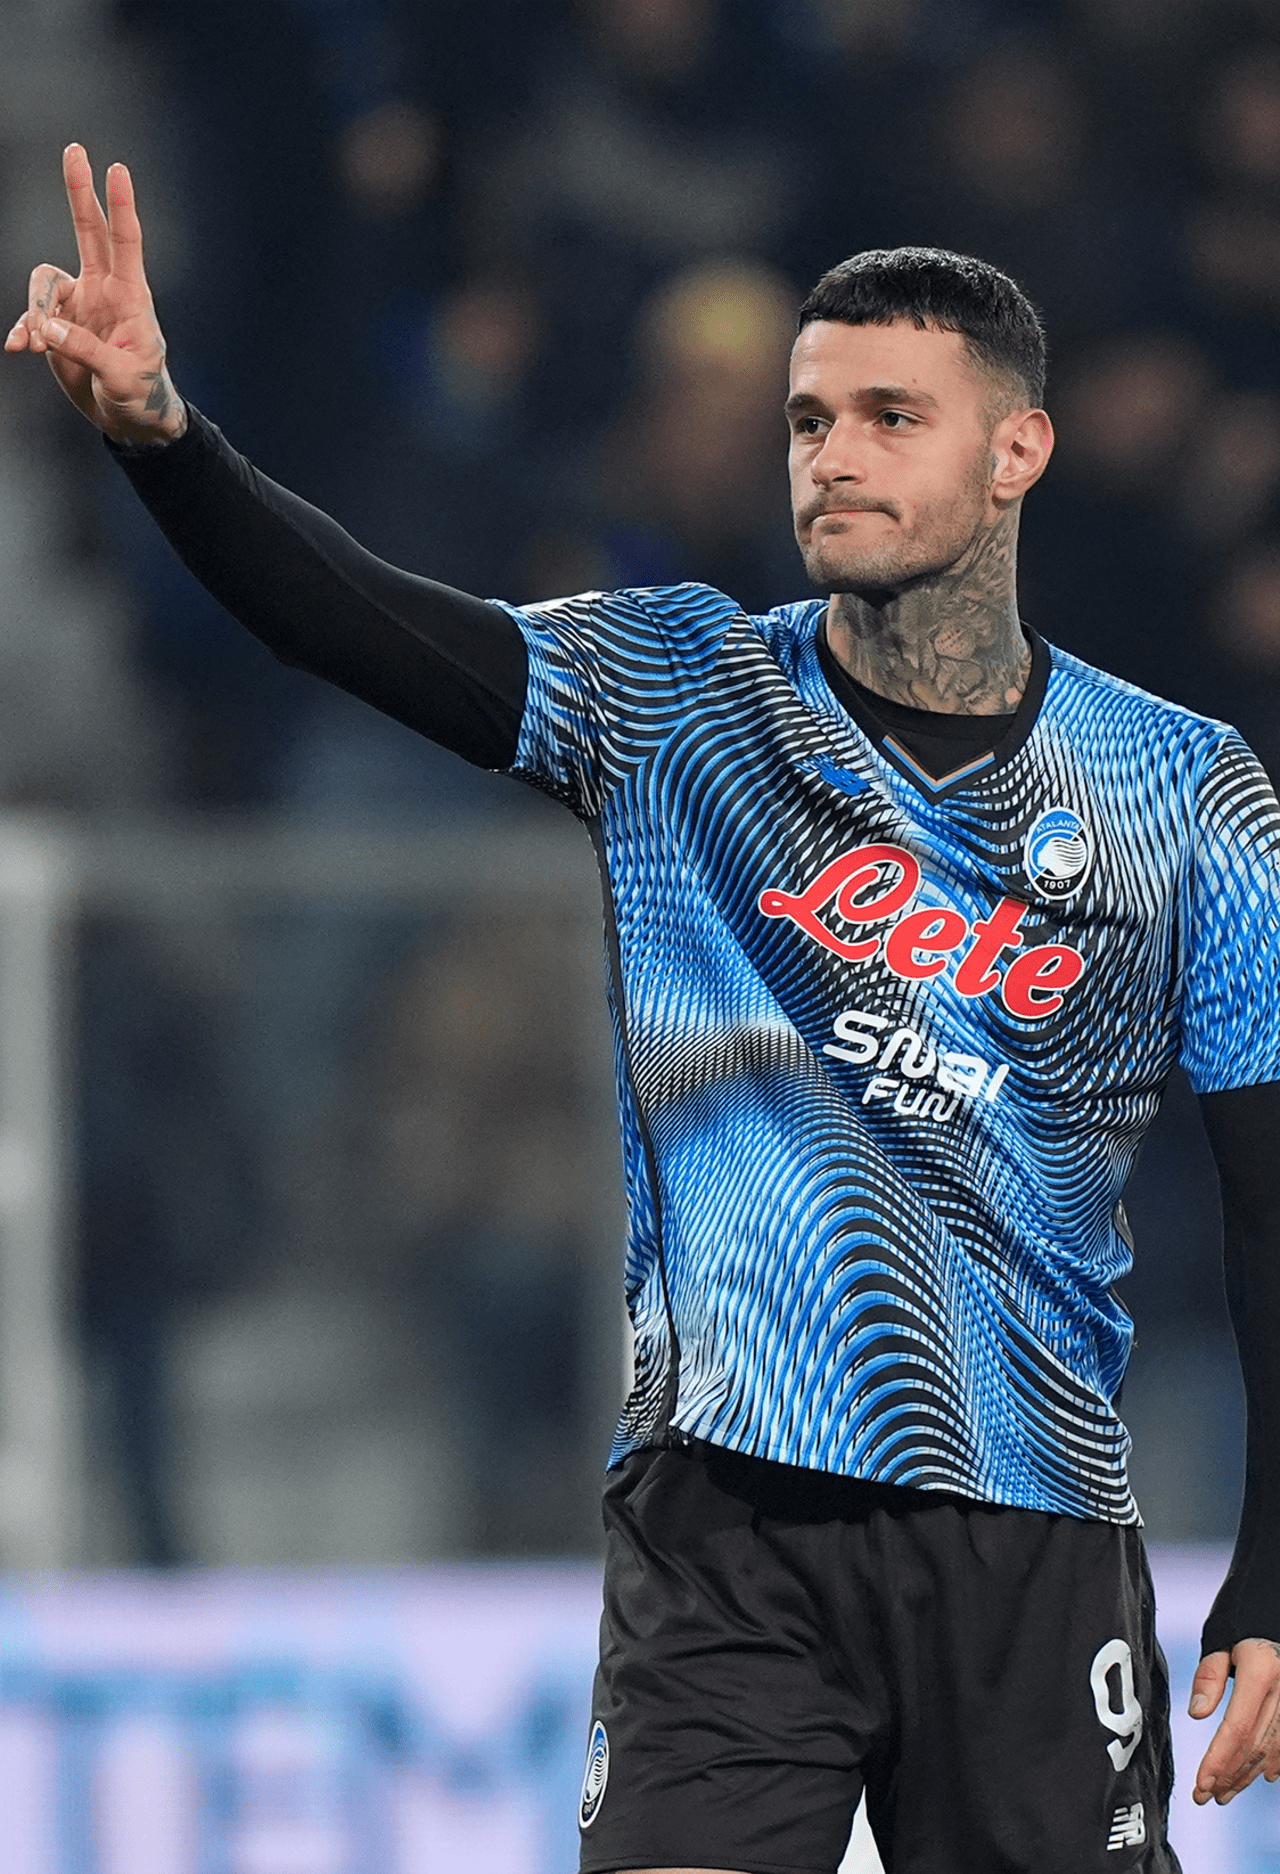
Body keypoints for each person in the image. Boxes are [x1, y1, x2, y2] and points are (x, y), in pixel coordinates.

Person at [9, 145, 1280, 1874]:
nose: (832, 456)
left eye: (891, 417)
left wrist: (1273, 1564)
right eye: (810, 419)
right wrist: (165, 437)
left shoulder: (1186, 793)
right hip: (725, 1517)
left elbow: (1270, 1200)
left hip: (1030, 1526)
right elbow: (356, 624)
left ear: (1017, 452)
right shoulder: (676, 687)